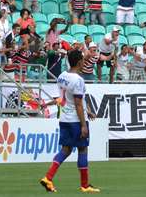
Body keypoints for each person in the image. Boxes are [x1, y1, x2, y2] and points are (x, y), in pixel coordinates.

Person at [40, 49, 100, 193]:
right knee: (83, 148)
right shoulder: (78, 80)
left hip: (64, 119)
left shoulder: (62, 76)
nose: (84, 60)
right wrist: (84, 125)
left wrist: (88, 111)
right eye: (83, 58)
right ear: (79, 62)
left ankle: (48, 178)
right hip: (76, 121)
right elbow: (78, 104)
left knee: (66, 150)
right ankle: (84, 185)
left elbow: (64, 98)